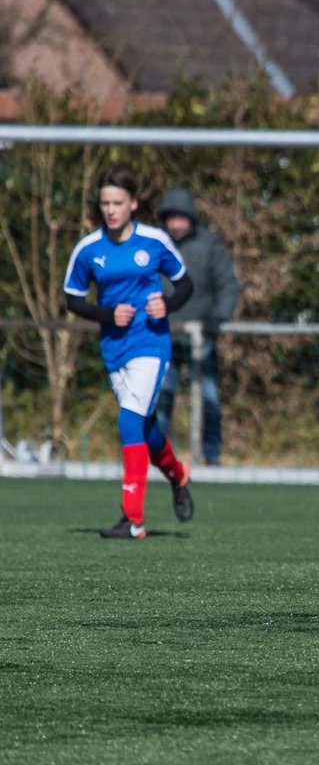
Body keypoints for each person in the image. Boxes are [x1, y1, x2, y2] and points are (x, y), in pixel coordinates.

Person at [63, 169, 196, 539]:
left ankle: (132, 519)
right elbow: (72, 299)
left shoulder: (154, 241)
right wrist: (106, 314)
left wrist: (166, 305)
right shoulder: (89, 249)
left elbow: (185, 284)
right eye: (105, 203)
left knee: (127, 421)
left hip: (150, 345)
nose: (110, 210)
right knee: (145, 429)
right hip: (114, 349)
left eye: (117, 203)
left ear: (133, 204)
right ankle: (177, 474)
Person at [153, 187, 241, 466]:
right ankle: (159, 456)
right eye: (171, 219)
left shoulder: (209, 245)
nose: (176, 225)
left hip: (201, 338)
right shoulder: (156, 245)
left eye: (182, 219)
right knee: (160, 400)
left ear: (191, 219)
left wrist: (218, 319)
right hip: (163, 335)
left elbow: (228, 286)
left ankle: (211, 455)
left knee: (209, 398)